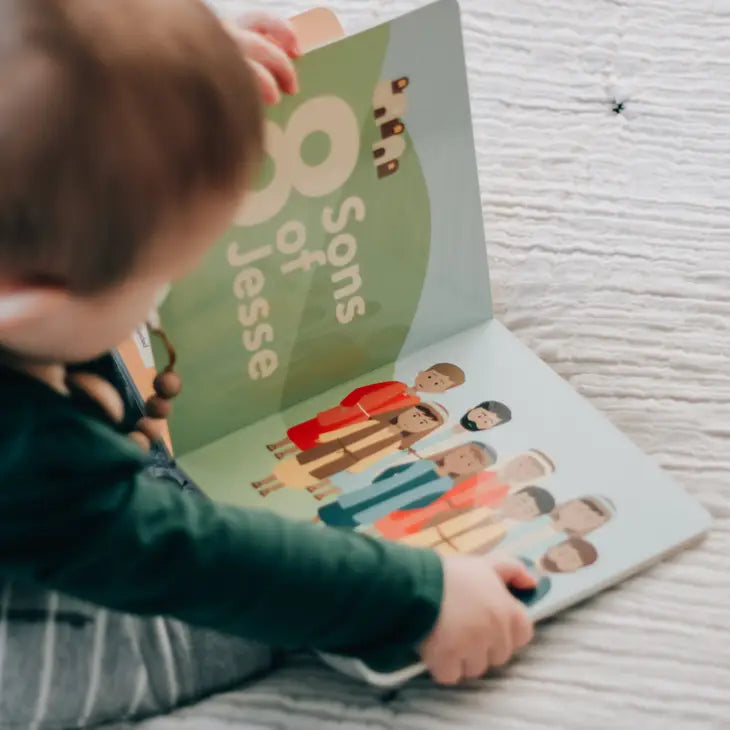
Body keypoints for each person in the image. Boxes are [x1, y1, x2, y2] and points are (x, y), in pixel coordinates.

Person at [0, 2, 535, 725]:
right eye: (156, 282)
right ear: (24, 303)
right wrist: (415, 595)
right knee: (220, 628)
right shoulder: (31, 456)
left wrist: (180, 81)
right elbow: (189, 558)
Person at [266, 364, 466, 459]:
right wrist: (347, 404)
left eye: (438, 383)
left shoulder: (414, 402)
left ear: (442, 390)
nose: (430, 382)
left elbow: (392, 418)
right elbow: (364, 391)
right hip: (348, 411)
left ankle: (285, 452)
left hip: (359, 423)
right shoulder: (396, 384)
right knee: (312, 427)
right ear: (422, 372)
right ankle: (278, 444)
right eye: (431, 377)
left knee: (319, 440)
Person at [252, 403, 448, 499]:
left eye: (422, 423)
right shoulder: (375, 422)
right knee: (297, 463)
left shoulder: (395, 442)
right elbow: (351, 430)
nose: (415, 421)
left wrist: (357, 466)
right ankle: (266, 481)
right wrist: (327, 437)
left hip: (346, 459)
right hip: (334, 446)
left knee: (309, 475)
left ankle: (272, 488)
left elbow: (375, 455)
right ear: (405, 411)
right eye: (415, 415)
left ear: (423, 430)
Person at [374, 449, 555, 540]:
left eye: (531, 472)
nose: (522, 470)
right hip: (404, 506)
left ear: (532, 479)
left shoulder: (504, 501)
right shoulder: (474, 467)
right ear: (517, 458)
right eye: (523, 463)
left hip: (426, 528)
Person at [318, 442, 496, 528]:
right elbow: (394, 470)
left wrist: (402, 504)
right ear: (453, 451)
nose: (461, 462)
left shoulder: (445, 484)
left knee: (353, 518)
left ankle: (329, 529)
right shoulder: (426, 464)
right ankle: (315, 520)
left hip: (388, 504)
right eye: (462, 455)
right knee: (342, 505)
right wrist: (380, 483)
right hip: (376, 491)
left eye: (469, 464)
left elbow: (424, 502)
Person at [401, 487, 557, 554]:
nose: (520, 508)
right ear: (512, 496)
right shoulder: (477, 506)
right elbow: (441, 517)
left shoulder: (500, 535)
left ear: (529, 519)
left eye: (529, 510)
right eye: (522, 501)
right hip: (421, 537)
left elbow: (477, 553)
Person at [511, 538, 599, 607]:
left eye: (572, 560)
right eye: (562, 553)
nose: (562, 560)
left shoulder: (545, 586)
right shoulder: (519, 560)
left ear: (574, 569)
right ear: (553, 547)